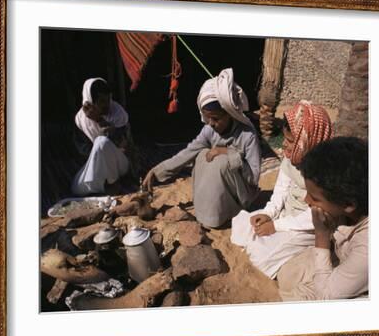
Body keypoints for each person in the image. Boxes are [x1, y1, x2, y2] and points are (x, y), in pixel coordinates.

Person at [142, 68, 261, 228]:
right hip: (222, 189)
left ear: (230, 114)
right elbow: (187, 153)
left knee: (221, 162)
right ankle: (208, 210)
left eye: (216, 118)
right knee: (201, 154)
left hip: (241, 195)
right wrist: (156, 171)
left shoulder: (248, 135)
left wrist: (230, 154)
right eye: (207, 118)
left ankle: (225, 213)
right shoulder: (209, 130)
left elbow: (253, 178)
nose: (211, 123)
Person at [230, 100, 333, 278]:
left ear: (308, 140)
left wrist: (276, 226)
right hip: (285, 215)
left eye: (291, 141)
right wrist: (269, 213)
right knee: (242, 223)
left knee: (263, 255)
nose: (284, 145)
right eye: (285, 138)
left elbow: (314, 216)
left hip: (309, 226)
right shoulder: (291, 157)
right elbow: (281, 189)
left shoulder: (327, 173)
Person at [276, 136, 369, 301]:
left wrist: (321, 236)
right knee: (287, 274)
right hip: (343, 260)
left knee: (299, 299)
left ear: (348, 204)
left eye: (314, 198)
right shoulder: (345, 209)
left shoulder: (368, 248)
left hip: (359, 285)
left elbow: (326, 296)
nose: (306, 201)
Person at [71, 78, 131, 196]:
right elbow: (84, 152)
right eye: (102, 101)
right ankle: (105, 185)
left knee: (101, 141)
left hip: (121, 165)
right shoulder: (80, 120)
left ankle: (113, 183)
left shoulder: (118, 114)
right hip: (98, 166)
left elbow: (124, 146)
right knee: (76, 188)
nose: (107, 105)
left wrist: (99, 120)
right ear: (90, 102)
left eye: (108, 99)